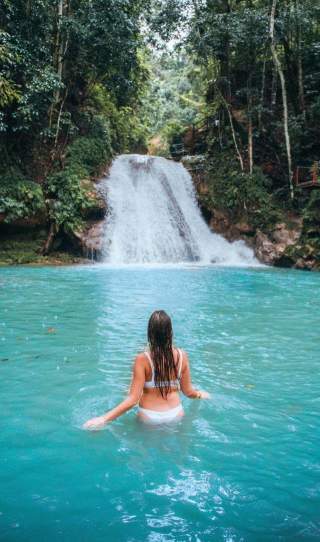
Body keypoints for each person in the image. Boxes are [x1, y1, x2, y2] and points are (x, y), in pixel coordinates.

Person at [83, 310, 209, 429]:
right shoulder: (182, 356)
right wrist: (199, 394)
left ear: (150, 333)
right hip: (175, 414)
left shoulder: (142, 359)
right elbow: (188, 392)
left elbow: (132, 400)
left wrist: (103, 419)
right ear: (170, 332)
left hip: (149, 416)